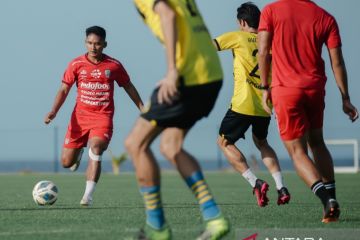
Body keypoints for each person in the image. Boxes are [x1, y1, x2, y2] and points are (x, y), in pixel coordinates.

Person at [126, 0, 230, 239]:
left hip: (188, 77)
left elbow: (168, 15)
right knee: (170, 146)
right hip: (211, 75)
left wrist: (172, 71)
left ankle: (157, 227)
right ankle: (215, 219)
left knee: (135, 144)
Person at [258, 0, 359, 223]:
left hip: (286, 91)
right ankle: (332, 197)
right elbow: (338, 62)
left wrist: (265, 87)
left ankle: (326, 201)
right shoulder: (326, 17)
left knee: (297, 152)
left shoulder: (271, 11)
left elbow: (263, 52)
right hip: (314, 90)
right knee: (318, 142)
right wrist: (346, 98)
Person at [44, 26, 143, 206]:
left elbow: (128, 86)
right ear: (85, 43)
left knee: (96, 149)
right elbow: (64, 88)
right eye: (90, 43)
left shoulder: (114, 65)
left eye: (97, 44)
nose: (93, 47)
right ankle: (80, 150)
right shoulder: (76, 64)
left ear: (105, 44)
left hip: (102, 117)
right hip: (79, 119)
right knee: (66, 163)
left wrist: (142, 107)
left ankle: (87, 196)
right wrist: (53, 111)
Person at [214, 2, 290, 207]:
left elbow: (209, 47)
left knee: (223, 142)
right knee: (262, 143)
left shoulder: (237, 36)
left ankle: (255, 182)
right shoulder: (271, 40)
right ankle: (281, 186)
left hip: (242, 103)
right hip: (266, 105)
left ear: (243, 22)